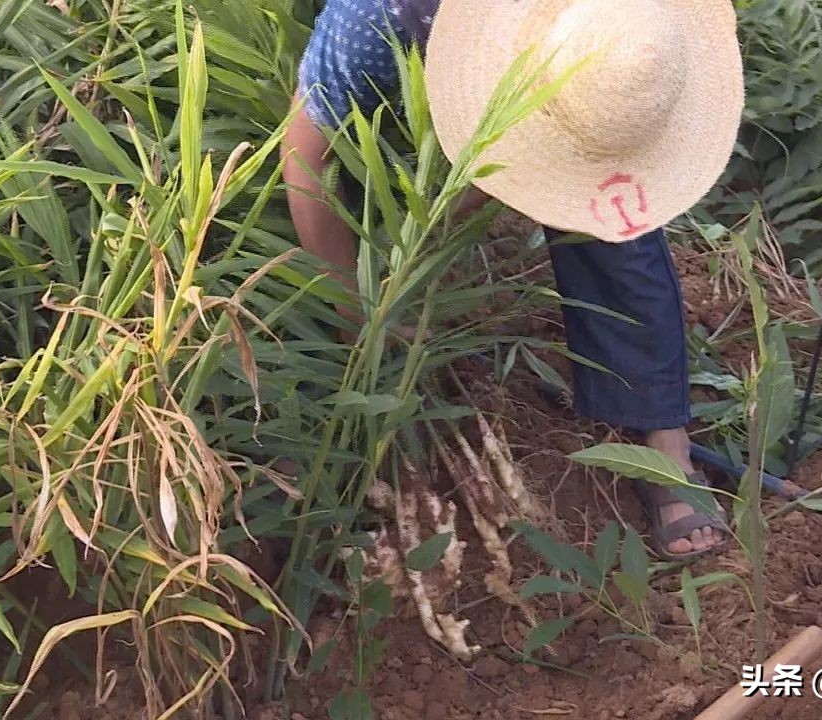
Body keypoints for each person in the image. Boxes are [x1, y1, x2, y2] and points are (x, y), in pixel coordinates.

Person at [280, 0, 744, 560]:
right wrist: (356, 306)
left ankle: (664, 439)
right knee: (349, 196)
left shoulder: (631, 36)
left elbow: (506, 161)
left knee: (615, 208)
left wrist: (448, 219)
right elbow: (305, 156)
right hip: (407, 44)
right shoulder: (373, 23)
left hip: (562, 56)